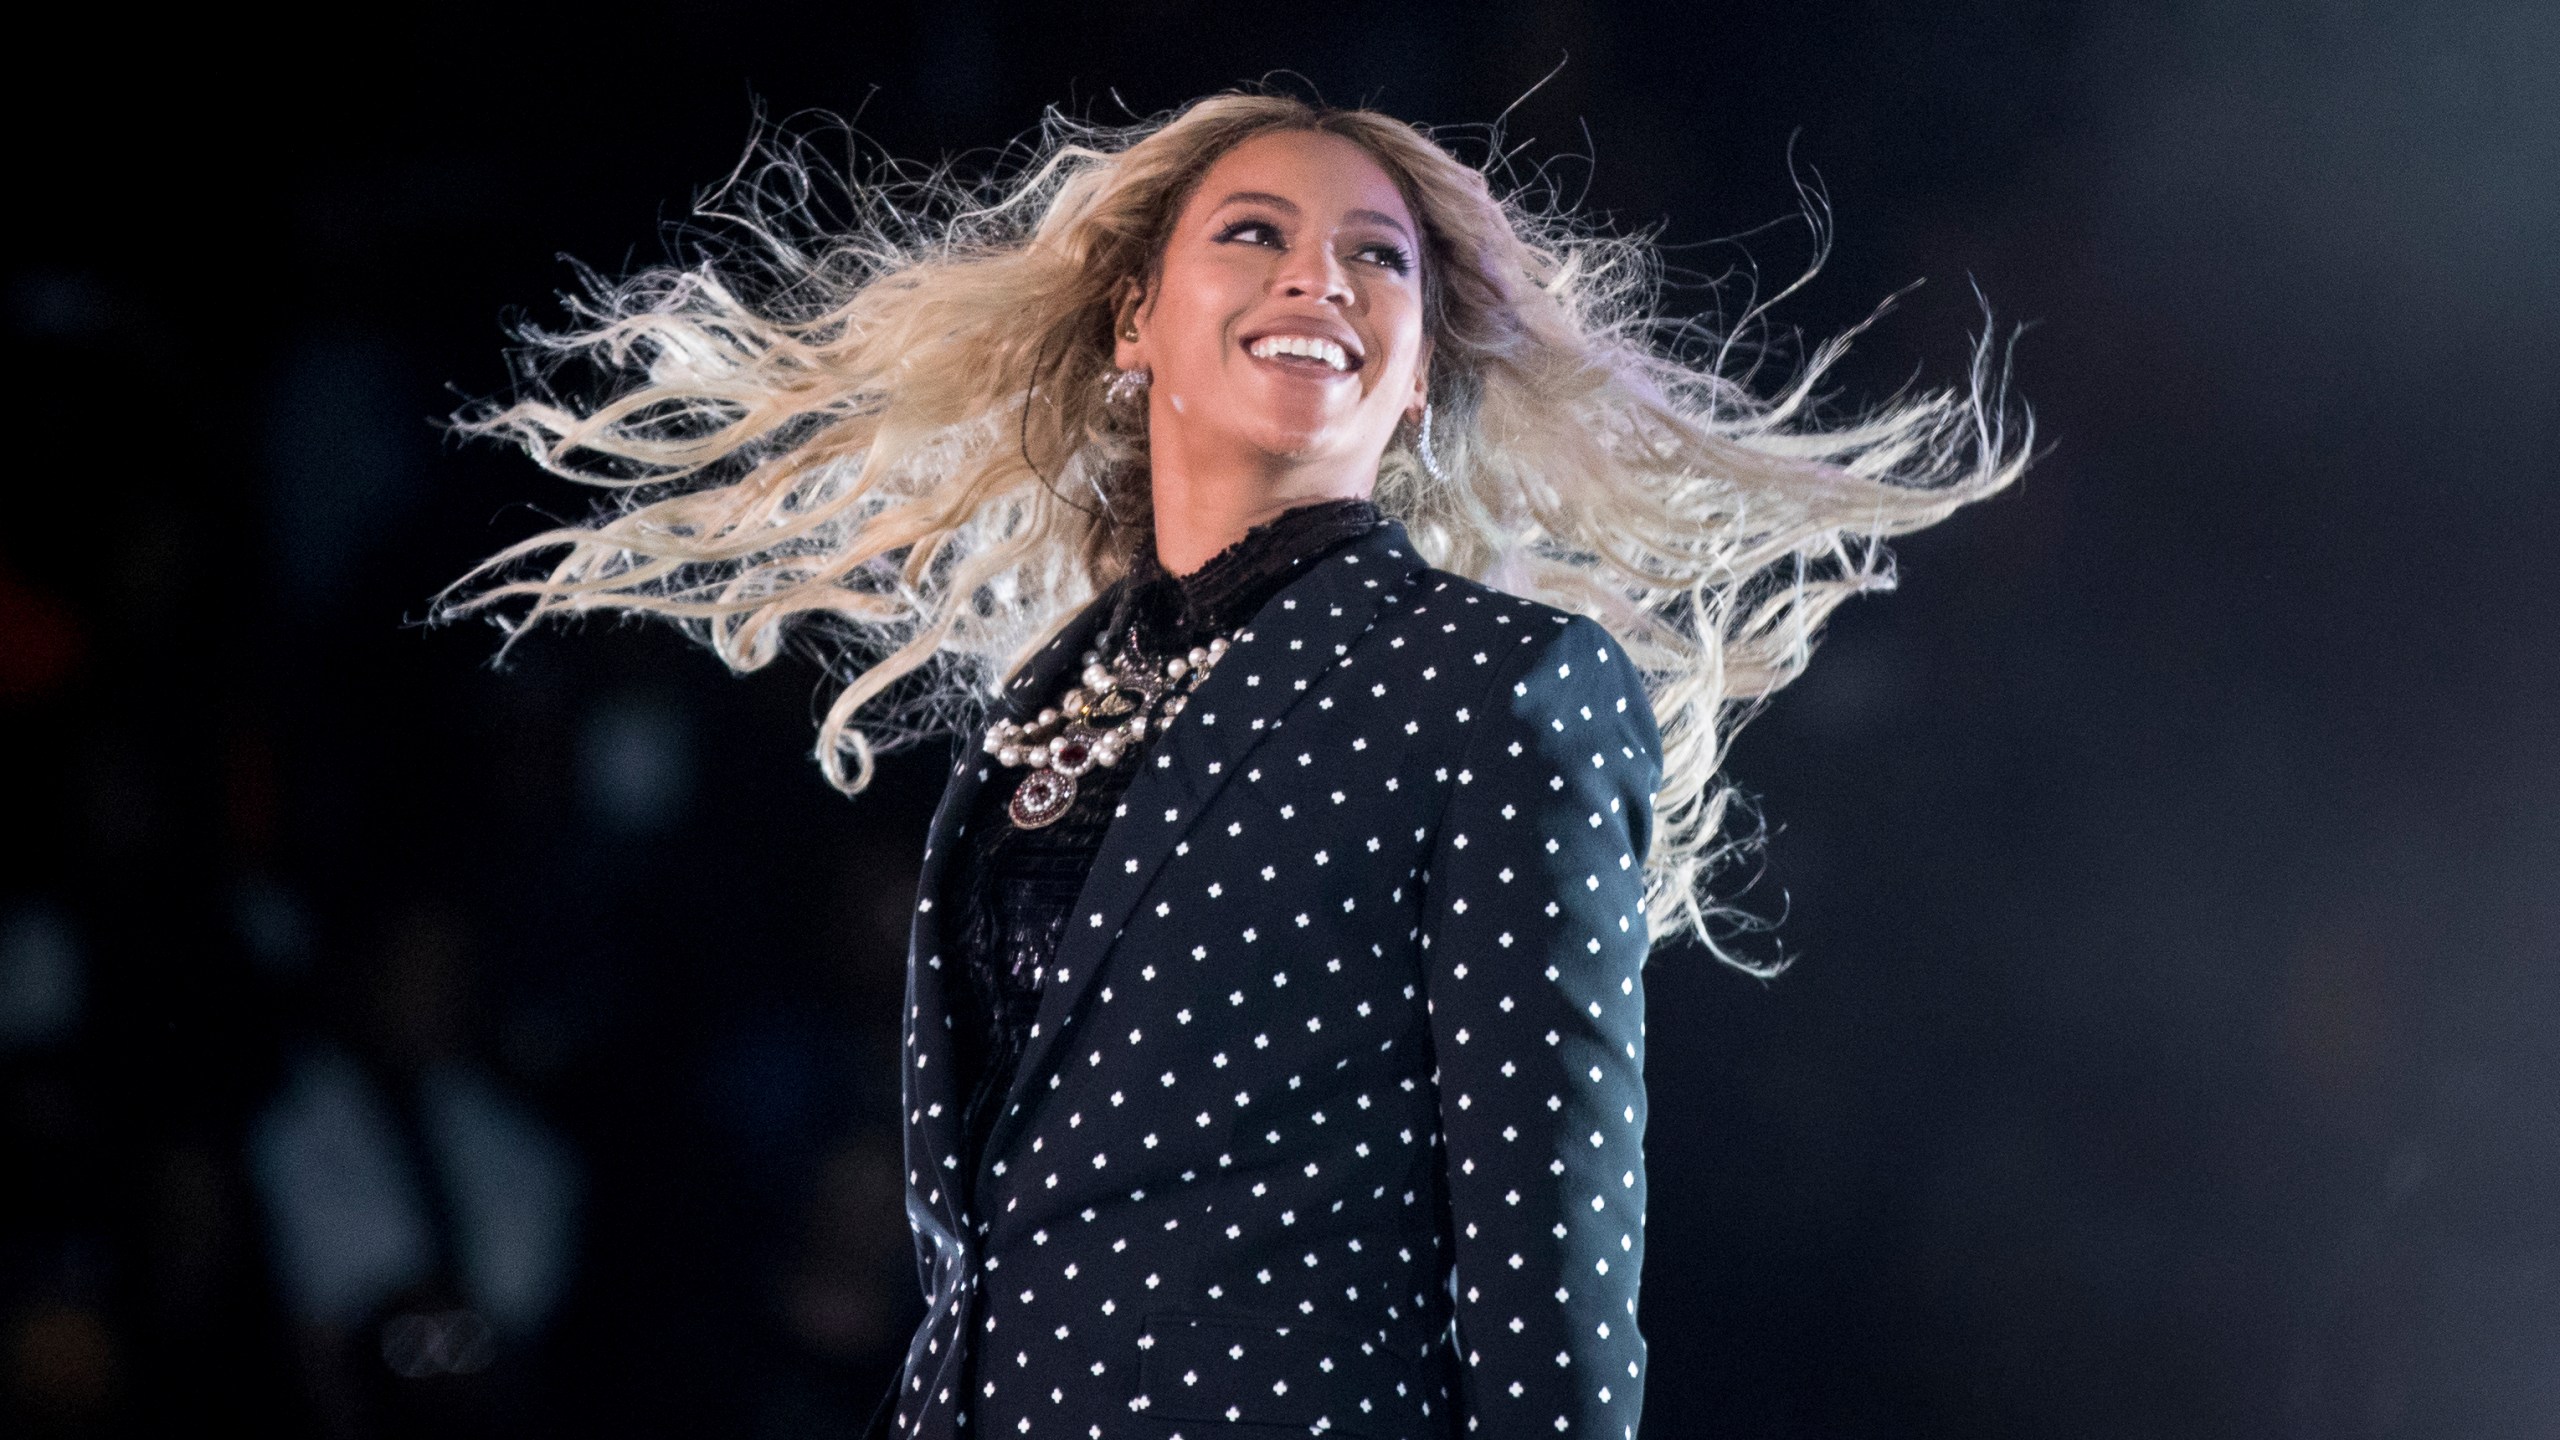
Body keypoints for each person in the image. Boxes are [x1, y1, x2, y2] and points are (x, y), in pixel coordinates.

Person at [446, 92, 2025, 1440]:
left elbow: (1553, 1257)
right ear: (1137, 318)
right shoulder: (1047, 700)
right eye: (1254, 232)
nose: (1316, 276)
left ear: (1419, 372)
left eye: (1376, 256)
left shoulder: (1499, 683)